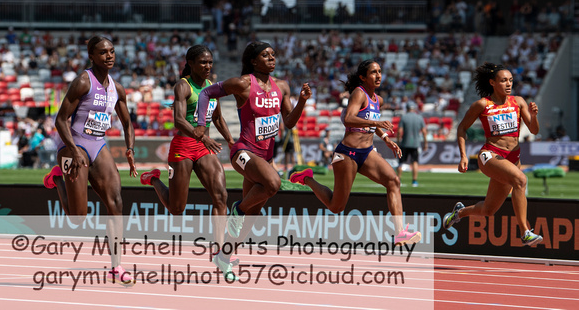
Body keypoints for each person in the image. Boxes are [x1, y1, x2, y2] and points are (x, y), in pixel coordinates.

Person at [192, 41, 311, 280]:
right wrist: (202, 124)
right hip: (243, 152)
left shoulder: (282, 87)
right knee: (273, 184)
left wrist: (302, 101)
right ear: (253, 61)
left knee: (250, 220)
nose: (272, 59)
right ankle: (238, 208)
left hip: (264, 158)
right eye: (265, 56)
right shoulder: (243, 83)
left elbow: (288, 123)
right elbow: (206, 93)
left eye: (273, 55)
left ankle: (224, 256)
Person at [289, 60, 421, 246]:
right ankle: (307, 178)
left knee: (393, 181)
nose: (378, 75)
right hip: (346, 154)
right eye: (373, 72)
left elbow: (371, 120)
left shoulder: (378, 100)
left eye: (380, 71)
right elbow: (350, 119)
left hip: (366, 153)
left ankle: (400, 233)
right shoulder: (359, 94)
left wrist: (385, 139)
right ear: (363, 77)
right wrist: (376, 124)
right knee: (336, 206)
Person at [42, 35, 138, 285]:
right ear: (92, 56)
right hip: (73, 144)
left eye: (112, 51)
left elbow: (128, 123)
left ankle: (116, 267)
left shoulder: (117, 88)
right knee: (77, 217)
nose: (109, 56)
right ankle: (57, 179)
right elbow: (60, 120)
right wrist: (72, 150)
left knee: (116, 202)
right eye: (103, 52)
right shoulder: (83, 82)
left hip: (98, 144)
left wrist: (130, 148)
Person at [140, 45, 235, 255]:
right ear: (190, 64)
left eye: (210, 62)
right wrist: (202, 136)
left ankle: (220, 251)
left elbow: (217, 117)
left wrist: (230, 140)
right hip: (183, 147)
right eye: (203, 62)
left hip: (203, 147)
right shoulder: (183, 86)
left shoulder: (212, 87)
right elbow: (178, 120)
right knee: (177, 209)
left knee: (221, 196)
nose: (208, 66)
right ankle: (154, 179)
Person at [442, 62, 542, 246]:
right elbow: (462, 128)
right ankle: (525, 232)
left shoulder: (519, 102)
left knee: (488, 210)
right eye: (504, 80)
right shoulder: (482, 104)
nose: (509, 84)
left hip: (513, 159)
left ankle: (459, 213)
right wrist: (463, 155)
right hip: (490, 155)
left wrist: (534, 116)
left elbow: (534, 131)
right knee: (520, 180)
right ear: (492, 83)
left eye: (511, 80)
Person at [396, 102, 428, 187]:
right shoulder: (419, 117)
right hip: (415, 144)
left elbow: (399, 131)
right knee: (415, 162)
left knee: (401, 163)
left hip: (404, 143)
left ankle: (398, 180)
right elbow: (424, 132)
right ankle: (414, 181)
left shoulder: (404, 117)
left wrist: (398, 142)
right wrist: (425, 143)